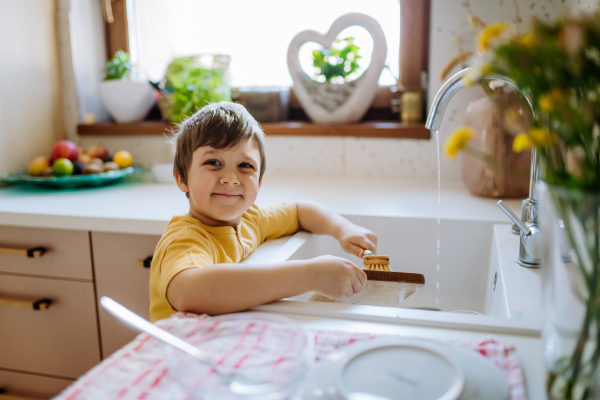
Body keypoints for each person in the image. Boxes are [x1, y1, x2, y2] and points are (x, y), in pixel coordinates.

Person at [149, 102, 377, 322]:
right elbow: (190, 292)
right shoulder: (185, 239)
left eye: (245, 166)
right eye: (213, 162)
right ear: (182, 178)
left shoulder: (251, 220)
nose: (230, 178)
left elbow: (300, 211)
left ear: (259, 180)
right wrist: (310, 275)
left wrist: (344, 229)